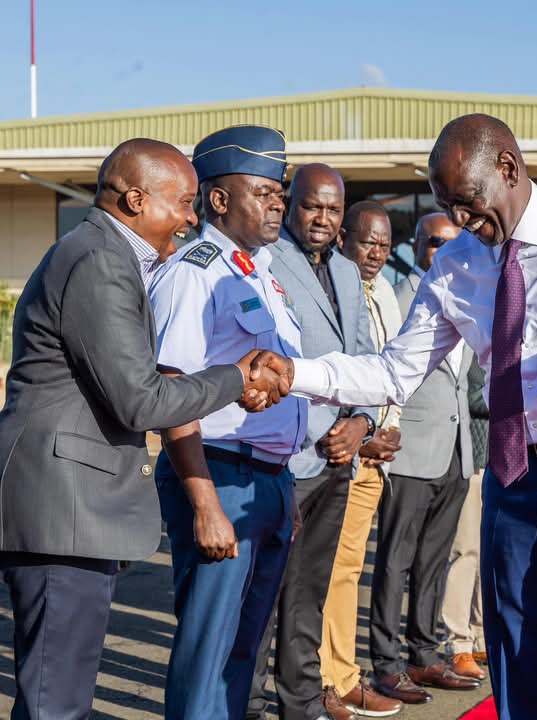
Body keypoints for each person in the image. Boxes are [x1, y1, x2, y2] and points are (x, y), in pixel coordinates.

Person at [251, 113, 537, 720]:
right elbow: (394, 372)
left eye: (468, 201)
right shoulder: (455, 265)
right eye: (448, 206)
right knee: (519, 681)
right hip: (513, 487)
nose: (462, 219)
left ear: (507, 166)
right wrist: (295, 374)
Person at [0, 138, 283, 720]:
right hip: (63, 513)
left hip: (75, 512)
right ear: (135, 200)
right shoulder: (99, 260)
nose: (189, 217)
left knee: (60, 696)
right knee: (56, 701)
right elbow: (141, 399)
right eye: (181, 202)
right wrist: (236, 376)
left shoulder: (107, 256)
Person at [148, 125, 308, 720]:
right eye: (263, 192)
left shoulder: (260, 273)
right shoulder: (194, 272)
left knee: (245, 650)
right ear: (218, 199)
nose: (277, 204)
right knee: (209, 648)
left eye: (279, 193)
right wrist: (205, 503)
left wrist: (282, 488)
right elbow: (172, 394)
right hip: (218, 473)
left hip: (267, 479)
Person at [249, 164, 377, 720]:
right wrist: (323, 429)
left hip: (339, 460)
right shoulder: (265, 261)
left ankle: (300, 700)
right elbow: (263, 359)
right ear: (290, 205)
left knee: (310, 590)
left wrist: (362, 422)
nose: (323, 218)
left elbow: (368, 359)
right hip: (286, 457)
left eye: (333, 209)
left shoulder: (348, 271)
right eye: (312, 206)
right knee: (265, 593)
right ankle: (248, 702)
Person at [366, 213, 478, 705]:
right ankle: (386, 663)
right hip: (410, 451)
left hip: (455, 453)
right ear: (416, 246)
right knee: (395, 562)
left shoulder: (468, 299)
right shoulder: (399, 298)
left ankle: (425, 654)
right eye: (435, 242)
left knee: (434, 562)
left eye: (454, 243)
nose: (445, 252)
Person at [318, 200, 404, 718]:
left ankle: (344, 674)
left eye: (385, 245)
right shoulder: (331, 286)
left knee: (350, 571)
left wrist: (385, 427)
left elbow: (390, 370)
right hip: (341, 453)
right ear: (344, 237)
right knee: (328, 573)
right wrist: (360, 434)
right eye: (368, 241)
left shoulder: (384, 293)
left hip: (376, 457)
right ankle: (326, 680)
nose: (376, 253)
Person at [441, 352, 488, 680]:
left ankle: (483, 635)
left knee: (491, 554)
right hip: (473, 457)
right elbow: (469, 395)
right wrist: (519, 397)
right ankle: (458, 642)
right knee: (465, 552)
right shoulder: (475, 336)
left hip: (508, 460)